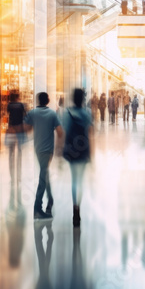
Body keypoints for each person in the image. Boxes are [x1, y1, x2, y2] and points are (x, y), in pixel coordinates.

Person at [24, 92, 63, 220]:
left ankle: (50, 200)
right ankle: (37, 208)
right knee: (43, 176)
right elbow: (60, 132)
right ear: (48, 100)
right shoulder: (52, 114)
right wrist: (59, 148)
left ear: (38, 100)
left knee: (44, 174)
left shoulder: (32, 113)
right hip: (48, 150)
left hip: (38, 149)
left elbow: (27, 129)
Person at [63, 88, 93, 227]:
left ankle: (75, 209)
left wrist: (60, 150)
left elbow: (64, 132)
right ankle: (78, 207)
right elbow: (91, 134)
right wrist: (91, 153)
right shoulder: (87, 113)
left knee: (74, 178)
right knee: (80, 180)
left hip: (71, 149)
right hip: (83, 149)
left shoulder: (67, 113)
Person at [5, 91, 26, 185]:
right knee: (19, 153)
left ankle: (12, 177)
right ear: (18, 97)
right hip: (20, 130)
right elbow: (25, 116)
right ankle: (19, 177)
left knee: (11, 153)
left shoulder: (9, 105)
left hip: (11, 130)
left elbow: (7, 115)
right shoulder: (21, 105)